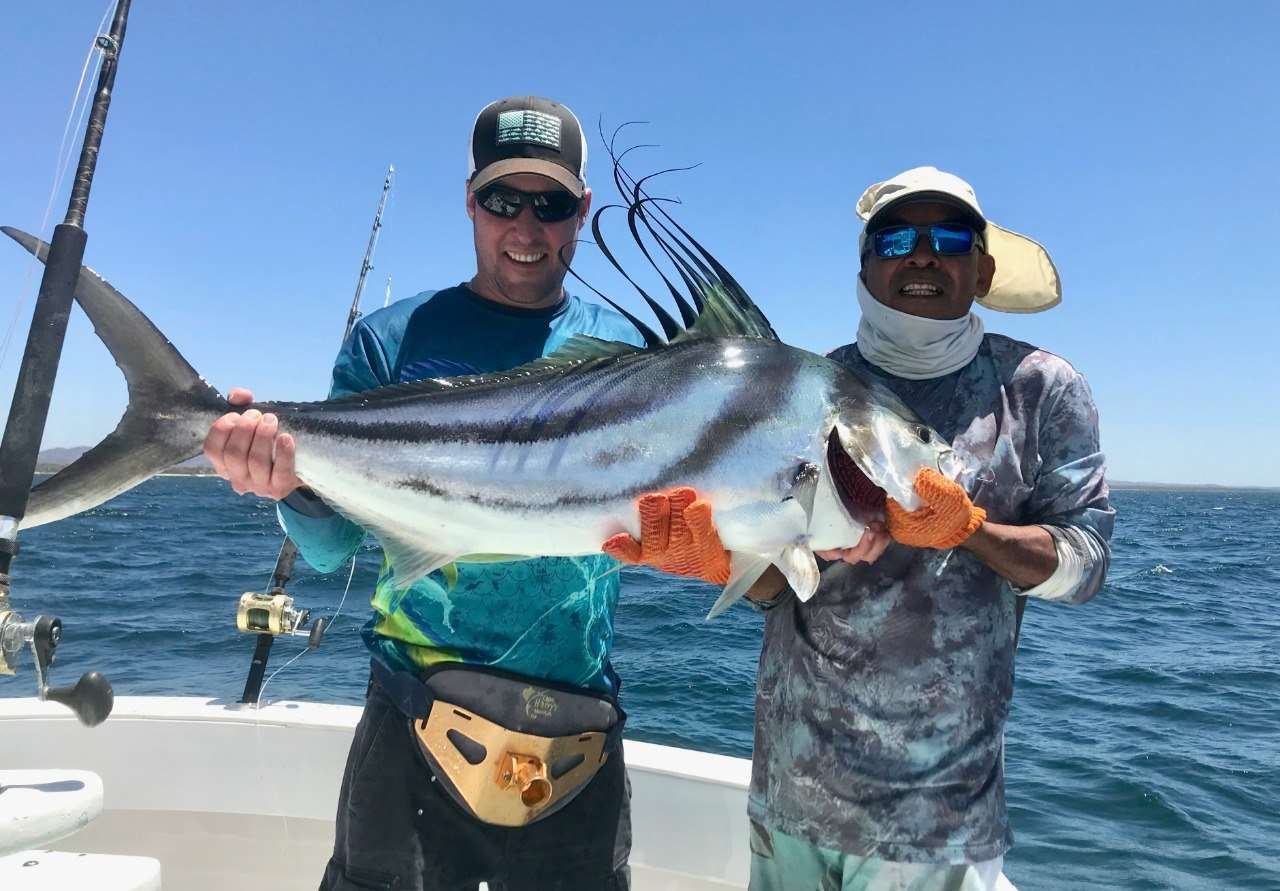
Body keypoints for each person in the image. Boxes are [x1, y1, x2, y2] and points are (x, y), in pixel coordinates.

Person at [610, 166, 1115, 890]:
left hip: (936, 821)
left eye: (947, 237)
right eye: (895, 238)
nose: (920, 255)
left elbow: (1087, 562)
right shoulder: (806, 387)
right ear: (865, 263)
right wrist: (727, 565)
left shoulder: (1037, 388)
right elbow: (781, 586)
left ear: (983, 267)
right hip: (789, 794)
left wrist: (971, 529)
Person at [204, 96, 646, 891]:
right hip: (411, 727)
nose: (525, 227)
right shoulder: (390, 340)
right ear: (470, 201)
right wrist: (290, 486)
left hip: (575, 732)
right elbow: (333, 544)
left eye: (548, 204)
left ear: (581, 210)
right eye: (503, 200)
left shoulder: (624, 357)